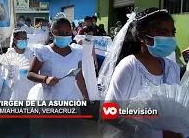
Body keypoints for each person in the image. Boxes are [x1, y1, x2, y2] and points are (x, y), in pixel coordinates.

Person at [100, 8, 182, 138]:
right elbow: (110, 113)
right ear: (141, 36)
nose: (170, 38)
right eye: (163, 33)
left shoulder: (172, 68)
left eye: (172, 32)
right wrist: (156, 134)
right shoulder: (129, 67)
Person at [27, 17, 89, 137]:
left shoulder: (76, 52)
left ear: (71, 32)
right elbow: (31, 73)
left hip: (71, 97)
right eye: (59, 33)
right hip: (51, 99)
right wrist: (45, 79)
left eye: (67, 33)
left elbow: (79, 76)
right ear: (52, 33)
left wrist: (86, 97)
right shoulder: (44, 52)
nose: (64, 35)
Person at [7, 29, 35, 100]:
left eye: (25, 38)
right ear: (15, 40)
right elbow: (7, 70)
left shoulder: (30, 52)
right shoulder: (10, 53)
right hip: (16, 84)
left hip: (29, 82)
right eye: (22, 39)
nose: (24, 41)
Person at [76, 26, 99, 100]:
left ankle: (91, 94)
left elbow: (93, 52)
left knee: (91, 76)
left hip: (90, 61)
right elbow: (76, 52)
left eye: (92, 34)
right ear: (85, 33)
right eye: (89, 34)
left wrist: (95, 61)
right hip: (83, 60)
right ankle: (82, 95)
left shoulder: (92, 42)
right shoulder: (81, 41)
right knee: (84, 76)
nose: (90, 36)